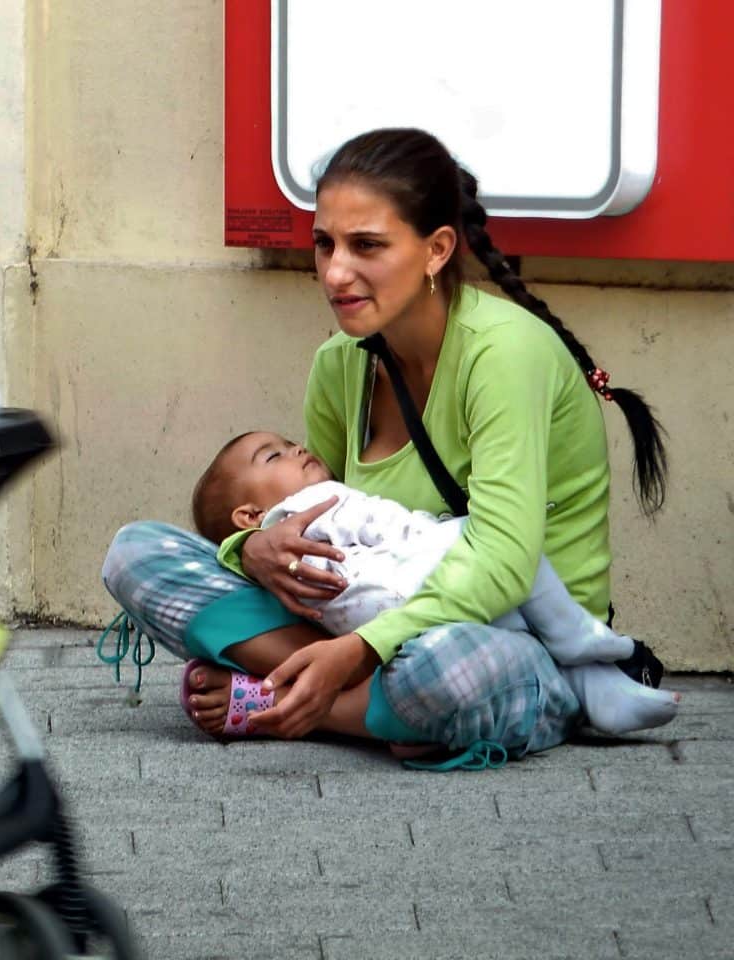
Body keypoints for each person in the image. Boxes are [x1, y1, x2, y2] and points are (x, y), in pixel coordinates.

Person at [103, 127, 669, 765]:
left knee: (448, 671)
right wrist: (252, 547)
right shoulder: (339, 363)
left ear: (436, 250)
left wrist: (358, 650)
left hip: (511, 640)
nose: (335, 272)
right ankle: (360, 704)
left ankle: (283, 700)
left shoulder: (504, 354)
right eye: (324, 244)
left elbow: (507, 564)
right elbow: (322, 512)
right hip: (373, 613)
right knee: (136, 553)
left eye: (366, 245)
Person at [189, 429, 678, 737]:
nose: (296, 447)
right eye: (273, 456)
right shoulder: (311, 503)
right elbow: (385, 523)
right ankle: (580, 646)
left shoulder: (279, 543)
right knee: (506, 547)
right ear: (251, 514)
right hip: (403, 588)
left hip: (369, 617)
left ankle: (285, 700)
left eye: (289, 442)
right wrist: (438, 530)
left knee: (501, 611)